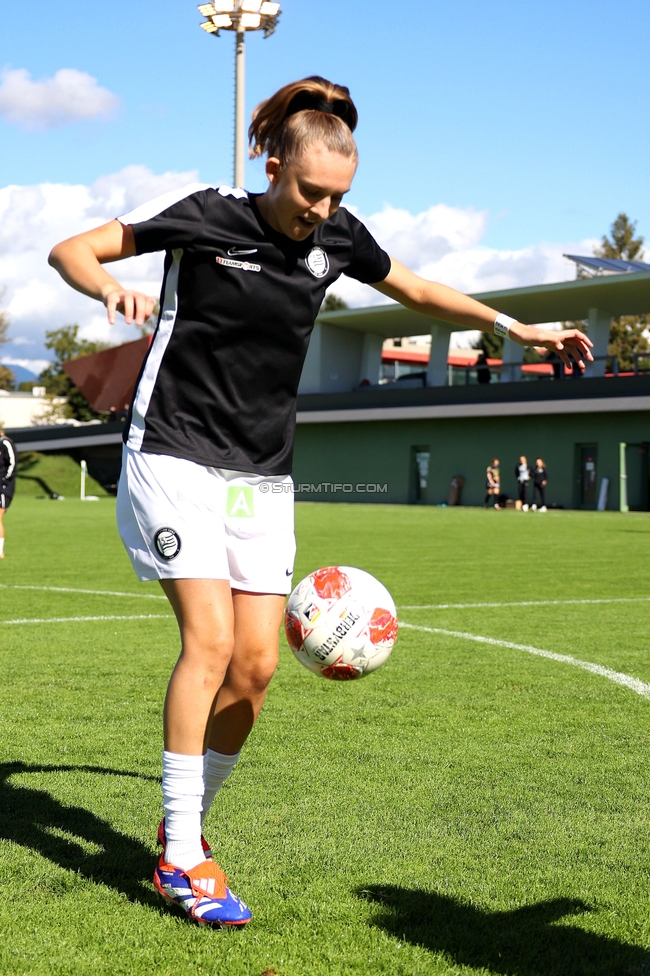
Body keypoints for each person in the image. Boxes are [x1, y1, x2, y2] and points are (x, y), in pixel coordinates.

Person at [48, 75, 593, 928]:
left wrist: (512, 327)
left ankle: (179, 824)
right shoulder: (208, 212)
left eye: (338, 196)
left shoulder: (338, 235)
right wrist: (108, 288)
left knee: (259, 665)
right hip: (174, 451)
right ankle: (183, 856)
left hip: (263, 472)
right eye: (310, 191)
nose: (321, 210)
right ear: (272, 165)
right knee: (212, 639)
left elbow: (415, 289)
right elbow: (72, 250)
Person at [0, 429, 17, 558]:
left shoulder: (5, 443)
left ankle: (0, 551)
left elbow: (12, 464)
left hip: (3, 487)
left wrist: (5, 480)